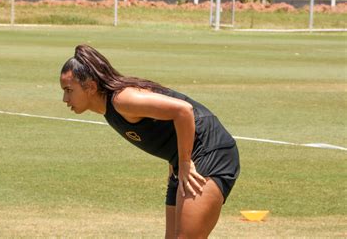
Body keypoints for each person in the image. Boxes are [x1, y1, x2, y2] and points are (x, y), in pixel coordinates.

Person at [59, 44, 240, 238]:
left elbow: (183, 111)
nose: (64, 98)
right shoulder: (109, 109)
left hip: (211, 151)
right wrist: (176, 160)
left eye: (69, 90)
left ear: (91, 87)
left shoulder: (122, 100)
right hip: (183, 159)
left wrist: (185, 161)